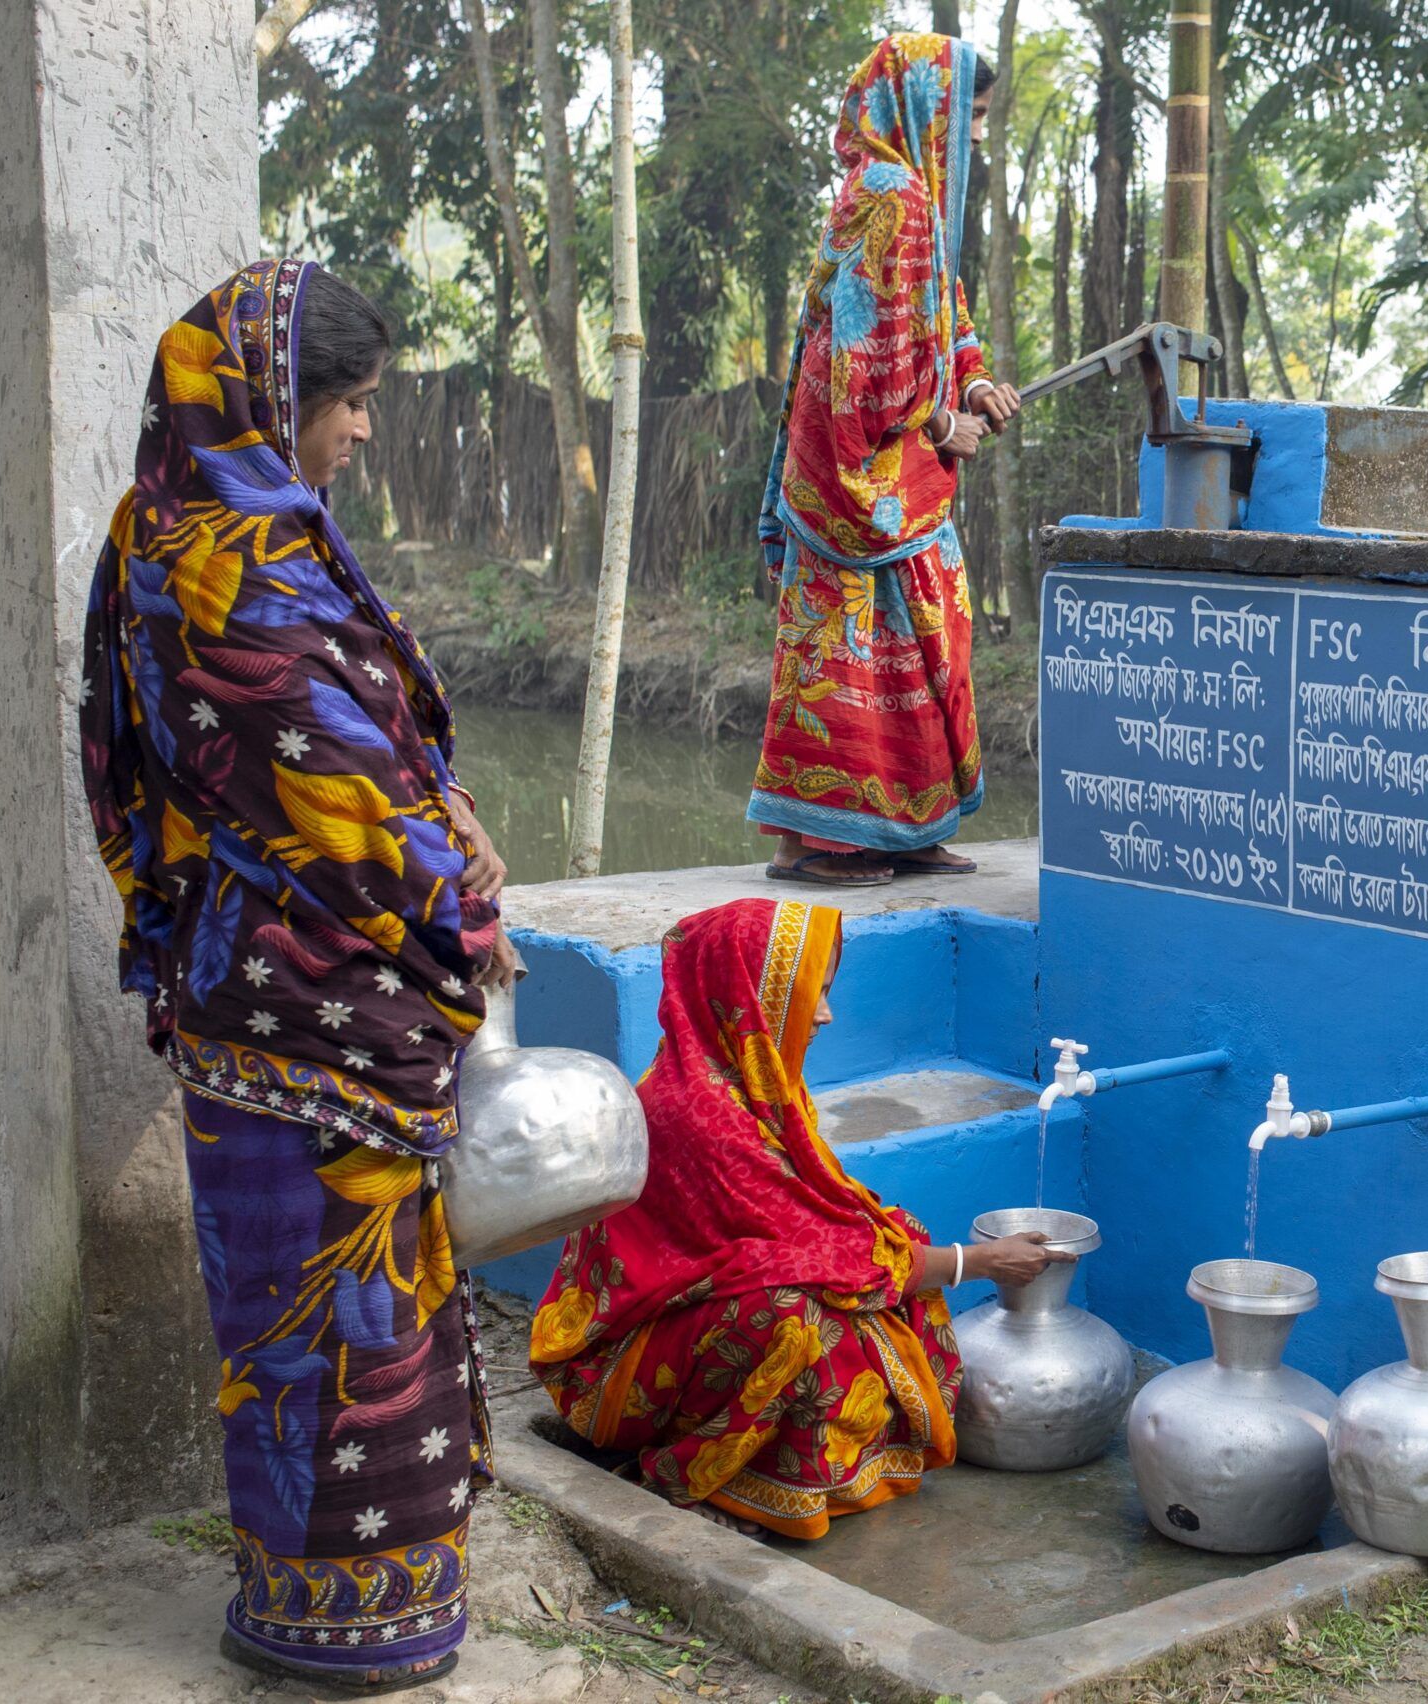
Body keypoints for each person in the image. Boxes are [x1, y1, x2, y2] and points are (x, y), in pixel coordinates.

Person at [79, 260, 522, 1688]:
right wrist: (456, 895)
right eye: (353, 405)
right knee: (341, 1321)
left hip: (246, 1001)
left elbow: (131, 770)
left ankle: (306, 1604)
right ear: (282, 401)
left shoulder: (163, 532)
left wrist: (438, 820)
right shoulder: (239, 575)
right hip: (324, 1006)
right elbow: (337, 810)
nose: (363, 434)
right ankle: (352, 1625)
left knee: (281, 1320)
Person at [529, 897, 1068, 1537]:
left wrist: (929, 1255)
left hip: (692, 1316)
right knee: (791, 1315)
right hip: (618, 1360)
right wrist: (971, 1263)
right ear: (746, 995)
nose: (826, 1014)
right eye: (811, 991)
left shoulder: (754, 1082)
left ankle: (793, 1461)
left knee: (890, 1245)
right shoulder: (698, 1113)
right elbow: (804, 1256)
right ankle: (713, 1473)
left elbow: (822, 1228)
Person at [748, 33, 1024, 888]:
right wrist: (942, 424)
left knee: (925, 638)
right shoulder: (887, 194)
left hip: (897, 481)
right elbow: (857, 367)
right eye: (969, 116)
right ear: (923, 107)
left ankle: (902, 831)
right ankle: (817, 842)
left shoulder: (919, 202)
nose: (976, 135)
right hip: (853, 479)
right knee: (849, 651)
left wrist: (974, 385)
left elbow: (947, 320)